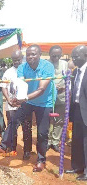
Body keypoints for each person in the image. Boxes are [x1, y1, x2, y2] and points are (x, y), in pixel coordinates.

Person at [0, 45, 56, 172]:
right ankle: (3, 146)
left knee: (42, 133)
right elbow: (20, 86)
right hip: (28, 100)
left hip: (44, 102)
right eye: (29, 54)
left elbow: (41, 89)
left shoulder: (47, 67)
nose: (31, 57)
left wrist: (24, 98)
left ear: (40, 54)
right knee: (14, 120)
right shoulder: (22, 67)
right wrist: (15, 99)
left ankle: (41, 160)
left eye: (34, 54)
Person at [0, 50, 33, 160]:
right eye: (14, 60)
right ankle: (12, 147)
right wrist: (8, 98)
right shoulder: (8, 72)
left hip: (25, 105)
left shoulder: (28, 70)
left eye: (18, 60)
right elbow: (3, 86)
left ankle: (27, 151)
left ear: (22, 58)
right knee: (12, 127)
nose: (16, 62)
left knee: (26, 127)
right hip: (11, 105)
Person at [64, 45, 87, 181]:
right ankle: (77, 166)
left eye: (76, 56)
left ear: (85, 56)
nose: (74, 59)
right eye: (73, 56)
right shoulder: (75, 72)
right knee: (77, 140)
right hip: (77, 109)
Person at [47, 45, 68, 153]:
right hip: (47, 96)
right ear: (49, 54)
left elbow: (68, 79)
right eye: (54, 55)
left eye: (58, 56)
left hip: (61, 96)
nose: (56, 58)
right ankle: (48, 141)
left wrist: (64, 87)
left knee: (59, 120)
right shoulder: (45, 64)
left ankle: (55, 142)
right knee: (47, 119)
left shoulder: (65, 64)